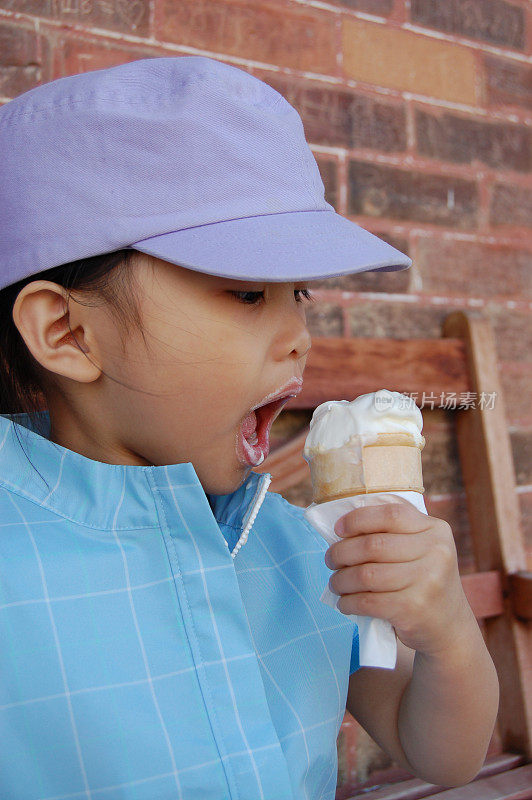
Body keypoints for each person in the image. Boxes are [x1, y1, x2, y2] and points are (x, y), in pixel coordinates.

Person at [0, 56, 498, 800]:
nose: (299, 334)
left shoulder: (303, 551)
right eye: (244, 292)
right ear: (68, 334)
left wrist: (448, 635)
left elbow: (438, 753)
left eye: (297, 292)